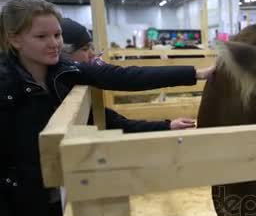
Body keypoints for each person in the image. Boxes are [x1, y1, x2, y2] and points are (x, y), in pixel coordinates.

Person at [0, 0, 214, 216]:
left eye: (57, 35)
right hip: (23, 212)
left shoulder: (65, 72)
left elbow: (124, 77)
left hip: (65, 201)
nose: (54, 43)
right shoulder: (5, 88)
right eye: (42, 36)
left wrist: (195, 75)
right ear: (15, 39)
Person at [60, 18, 196, 132]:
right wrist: (195, 73)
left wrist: (168, 126)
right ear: (64, 52)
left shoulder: (78, 76)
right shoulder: (73, 76)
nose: (91, 55)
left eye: (91, 48)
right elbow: (126, 77)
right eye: (84, 49)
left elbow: (115, 121)